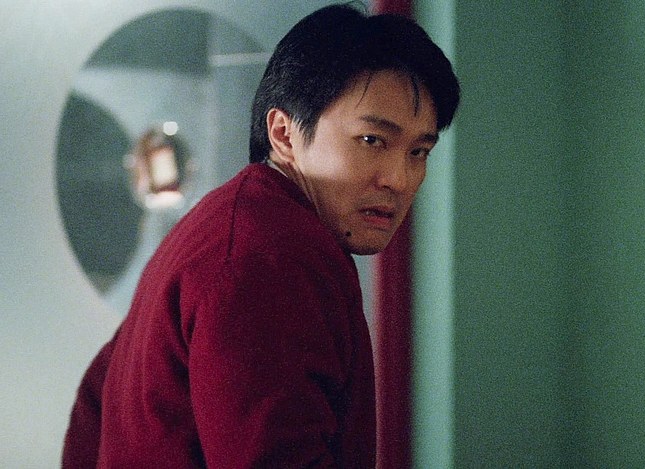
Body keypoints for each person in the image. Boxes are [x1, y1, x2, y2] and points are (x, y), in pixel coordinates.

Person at [62, 4, 459, 468]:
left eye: (418, 151)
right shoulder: (269, 257)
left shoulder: (228, 226)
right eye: (372, 140)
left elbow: (93, 408)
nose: (399, 178)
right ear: (284, 134)